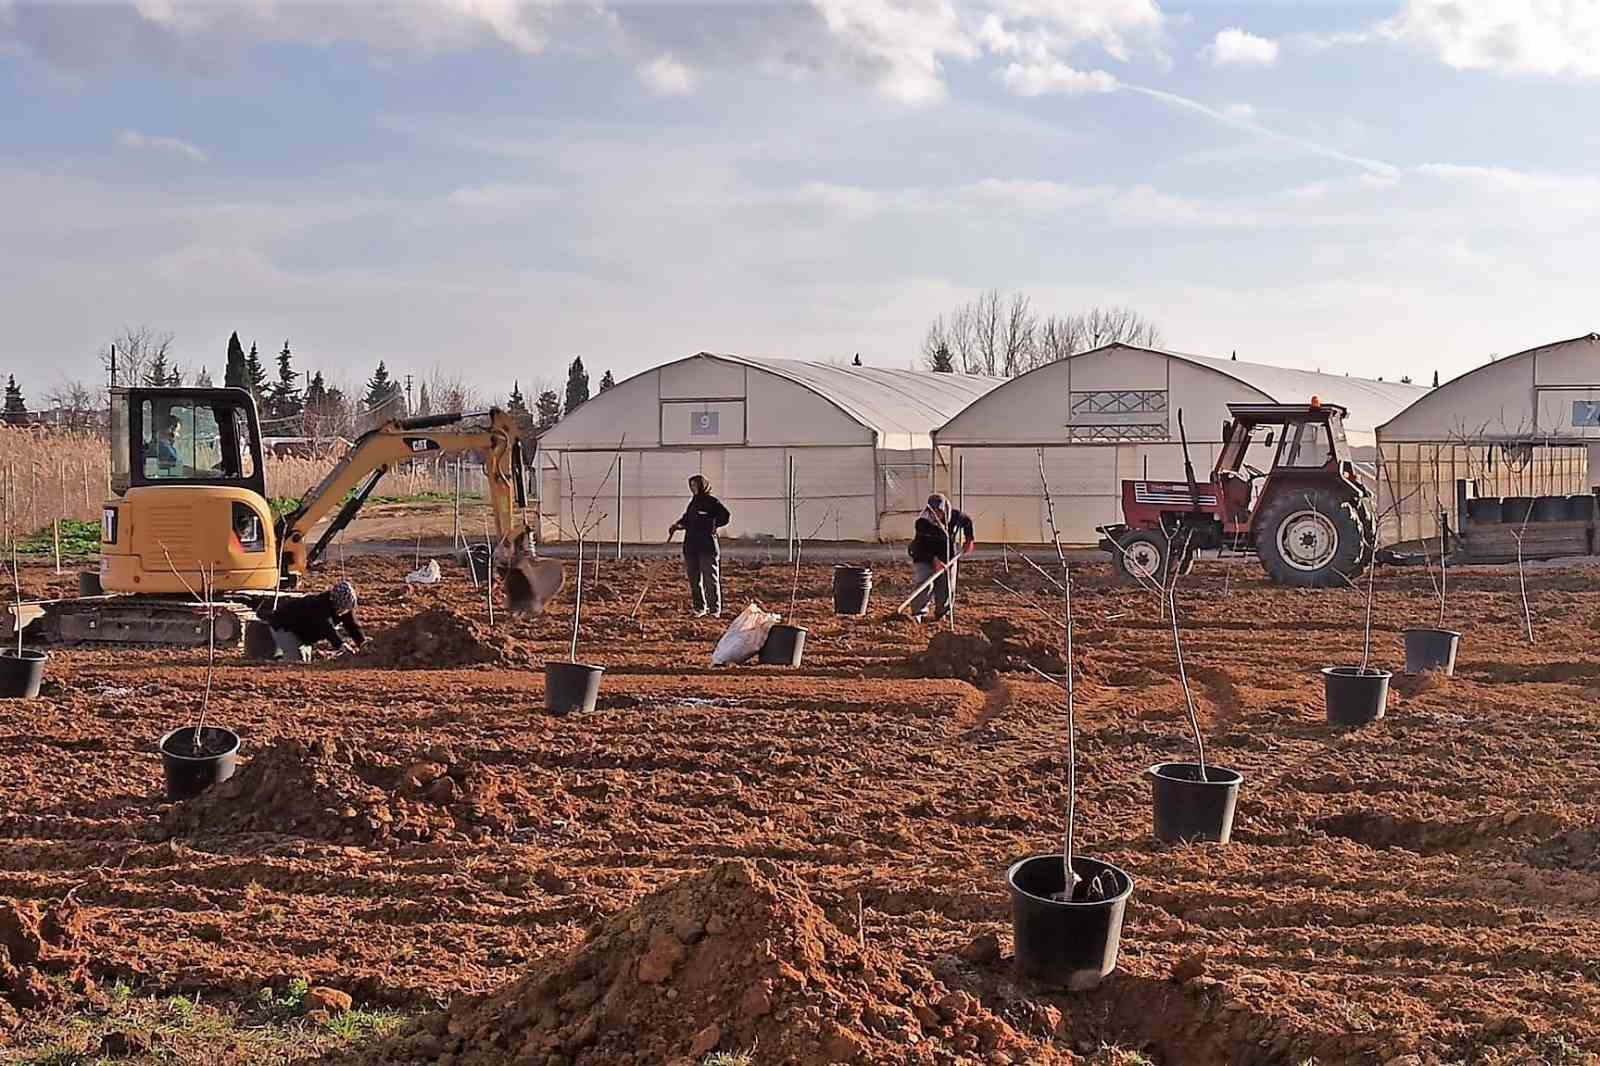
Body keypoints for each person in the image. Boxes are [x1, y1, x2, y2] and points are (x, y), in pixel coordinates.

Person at [668, 475, 730, 617]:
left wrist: (713, 525)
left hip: (707, 546)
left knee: (710, 578)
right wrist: (678, 525)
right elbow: (687, 519)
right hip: (691, 546)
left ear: (702, 486)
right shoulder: (693, 503)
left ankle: (714, 609)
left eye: (695, 485)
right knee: (694, 579)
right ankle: (699, 608)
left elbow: (725, 516)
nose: (693, 488)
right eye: (691, 486)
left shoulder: (712, 502)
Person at [907, 493, 975, 623]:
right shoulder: (922, 522)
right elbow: (920, 547)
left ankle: (942, 613)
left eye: (939, 512)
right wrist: (934, 560)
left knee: (947, 585)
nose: (935, 516)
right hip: (924, 556)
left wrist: (969, 540)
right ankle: (918, 613)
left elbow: (967, 522)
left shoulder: (956, 517)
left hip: (948, 556)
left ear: (945, 510)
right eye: (932, 512)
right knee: (925, 583)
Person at [259, 579, 366, 662]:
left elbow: (352, 626)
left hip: (303, 634)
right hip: (285, 627)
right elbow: (327, 628)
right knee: (295, 663)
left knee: (305, 661)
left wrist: (363, 643)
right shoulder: (319, 606)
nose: (346, 611)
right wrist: (341, 645)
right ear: (338, 604)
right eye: (344, 608)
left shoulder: (343, 608)